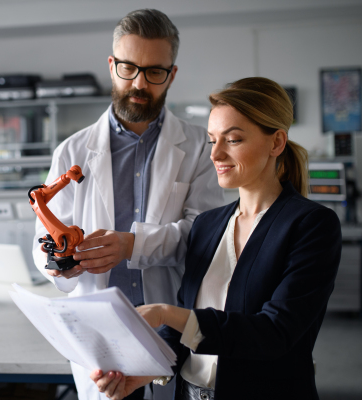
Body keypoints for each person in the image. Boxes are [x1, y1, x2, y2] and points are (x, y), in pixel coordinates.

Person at [91, 77, 342, 400]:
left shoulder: (311, 225)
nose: (216, 154)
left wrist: (167, 312)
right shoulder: (208, 225)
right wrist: (148, 370)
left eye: (233, 140)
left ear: (276, 143)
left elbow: (274, 333)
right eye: (212, 141)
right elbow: (186, 325)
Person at [31, 9, 224, 400]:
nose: (139, 82)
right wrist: (58, 264)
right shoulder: (73, 151)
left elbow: (205, 237)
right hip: (100, 338)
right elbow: (43, 239)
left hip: (169, 327)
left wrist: (132, 245)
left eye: (154, 71)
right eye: (128, 68)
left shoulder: (200, 146)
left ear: (170, 74)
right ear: (111, 65)